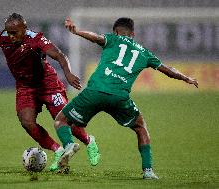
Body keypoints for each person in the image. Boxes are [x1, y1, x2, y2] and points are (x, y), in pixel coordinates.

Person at [53, 17, 199, 179]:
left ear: (115, 31)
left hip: (94, 91)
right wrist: (186, 78)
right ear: (133, 34)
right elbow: (168, 69)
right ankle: (148, 171)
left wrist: (77, 31)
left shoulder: (113, 38)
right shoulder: (144, 52)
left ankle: (68, 145)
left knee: (61, 120)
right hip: (119, 97)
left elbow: (96, 37)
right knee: (140, 127)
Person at [0, 13, 100, 171]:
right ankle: (58, 151)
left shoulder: (36, 39)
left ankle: (89, 141)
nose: (11, 36)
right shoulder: (3, 37)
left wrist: (68, 73)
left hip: (48, 84)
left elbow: (59, 56)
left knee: (64, 118)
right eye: (9, 32)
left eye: (15, 33)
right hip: (25, 87)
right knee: (26, 122)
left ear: (25, 29)